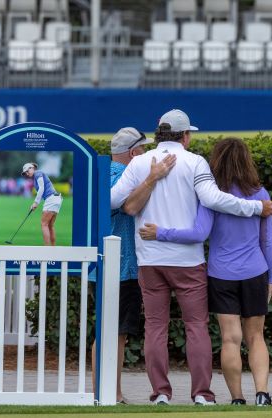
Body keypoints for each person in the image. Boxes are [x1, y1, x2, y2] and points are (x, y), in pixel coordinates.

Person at [110, 109, 272, 406]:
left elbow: (112, 200)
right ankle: (202, 394)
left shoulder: (137, 163)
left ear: (159, 134)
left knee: (156, 327)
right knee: (196, 327)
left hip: (150, 258)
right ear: (185, 136)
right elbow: (214, 200)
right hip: (188, 261)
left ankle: (160, 392)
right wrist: (256, 208)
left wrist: (148, 181)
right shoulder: (196, 161)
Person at [90, 127, 177, 404]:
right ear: (134, 153)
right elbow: (127, 205)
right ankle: (110, 394)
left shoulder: (100, 175)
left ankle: (103, 392)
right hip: (122, 266)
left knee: (108, 332)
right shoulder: (122, 178)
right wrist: (151, 178)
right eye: (143, 149)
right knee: (115, 335)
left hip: (103, 266)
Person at [21, 162, 63, 246]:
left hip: (51, 199)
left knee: (44, 224)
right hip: (56, 199)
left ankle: (46, 249)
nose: (26, 173)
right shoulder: (36, 176)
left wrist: (36, 202)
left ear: (32, 168)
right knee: (50, 225)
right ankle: (52, 249)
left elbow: (41, 188)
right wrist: (34, 204)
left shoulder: (38, 173)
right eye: (25, 173)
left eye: (27, 171)